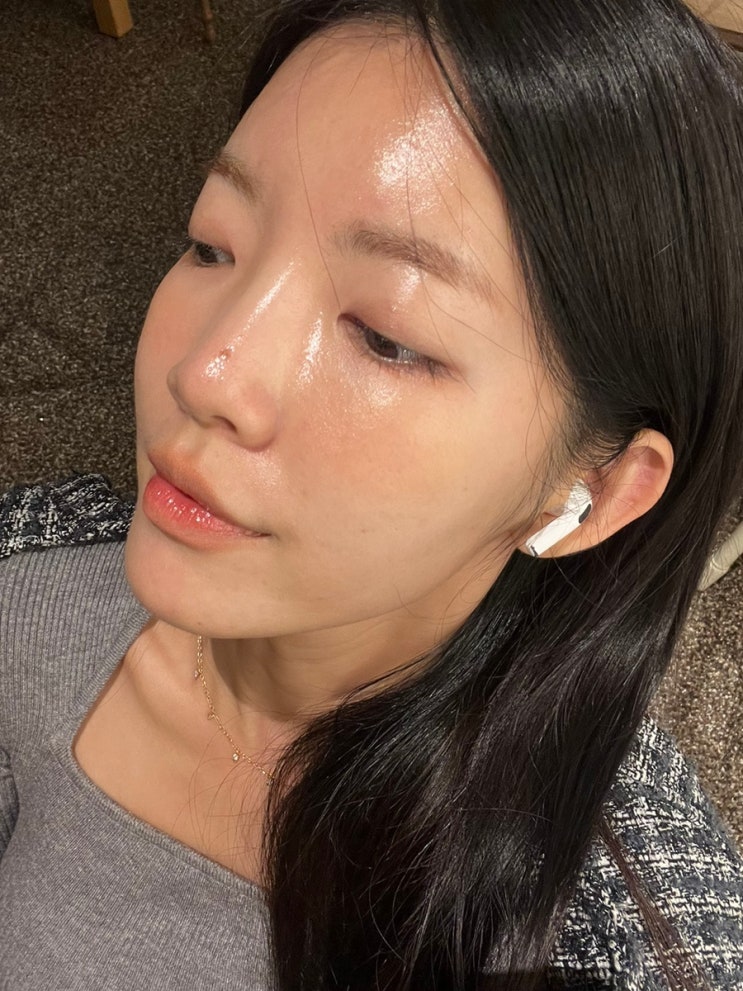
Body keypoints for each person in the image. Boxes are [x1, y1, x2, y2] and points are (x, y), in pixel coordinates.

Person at [1, 0, 742, 987]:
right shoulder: (34, 571)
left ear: (592, 490)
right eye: (213, 243)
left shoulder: (624, 938)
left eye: (386, 336)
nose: (207, 372)